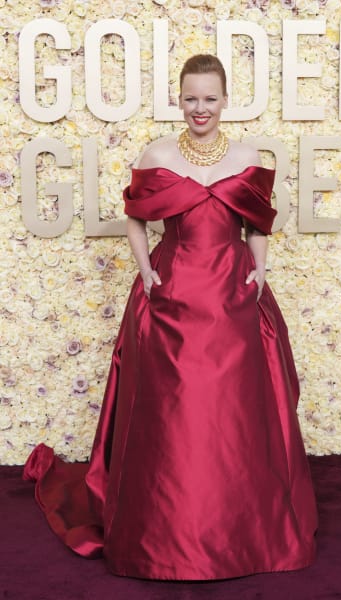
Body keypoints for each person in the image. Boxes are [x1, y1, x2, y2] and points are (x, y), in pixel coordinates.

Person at [23, 54, 318, 580]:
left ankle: (240, 529)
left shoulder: (248, 156)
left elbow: (258, 227)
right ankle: (163, 533)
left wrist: (260, 271)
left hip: (233, 294)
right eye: (190, 98)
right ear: (178, 100)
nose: (199, 108)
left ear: (225, 101)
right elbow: (136, 221)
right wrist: (146, 273)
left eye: (209, 98)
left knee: (234, 415)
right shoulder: (156, 153)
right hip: (172, 293)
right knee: (172, 414)